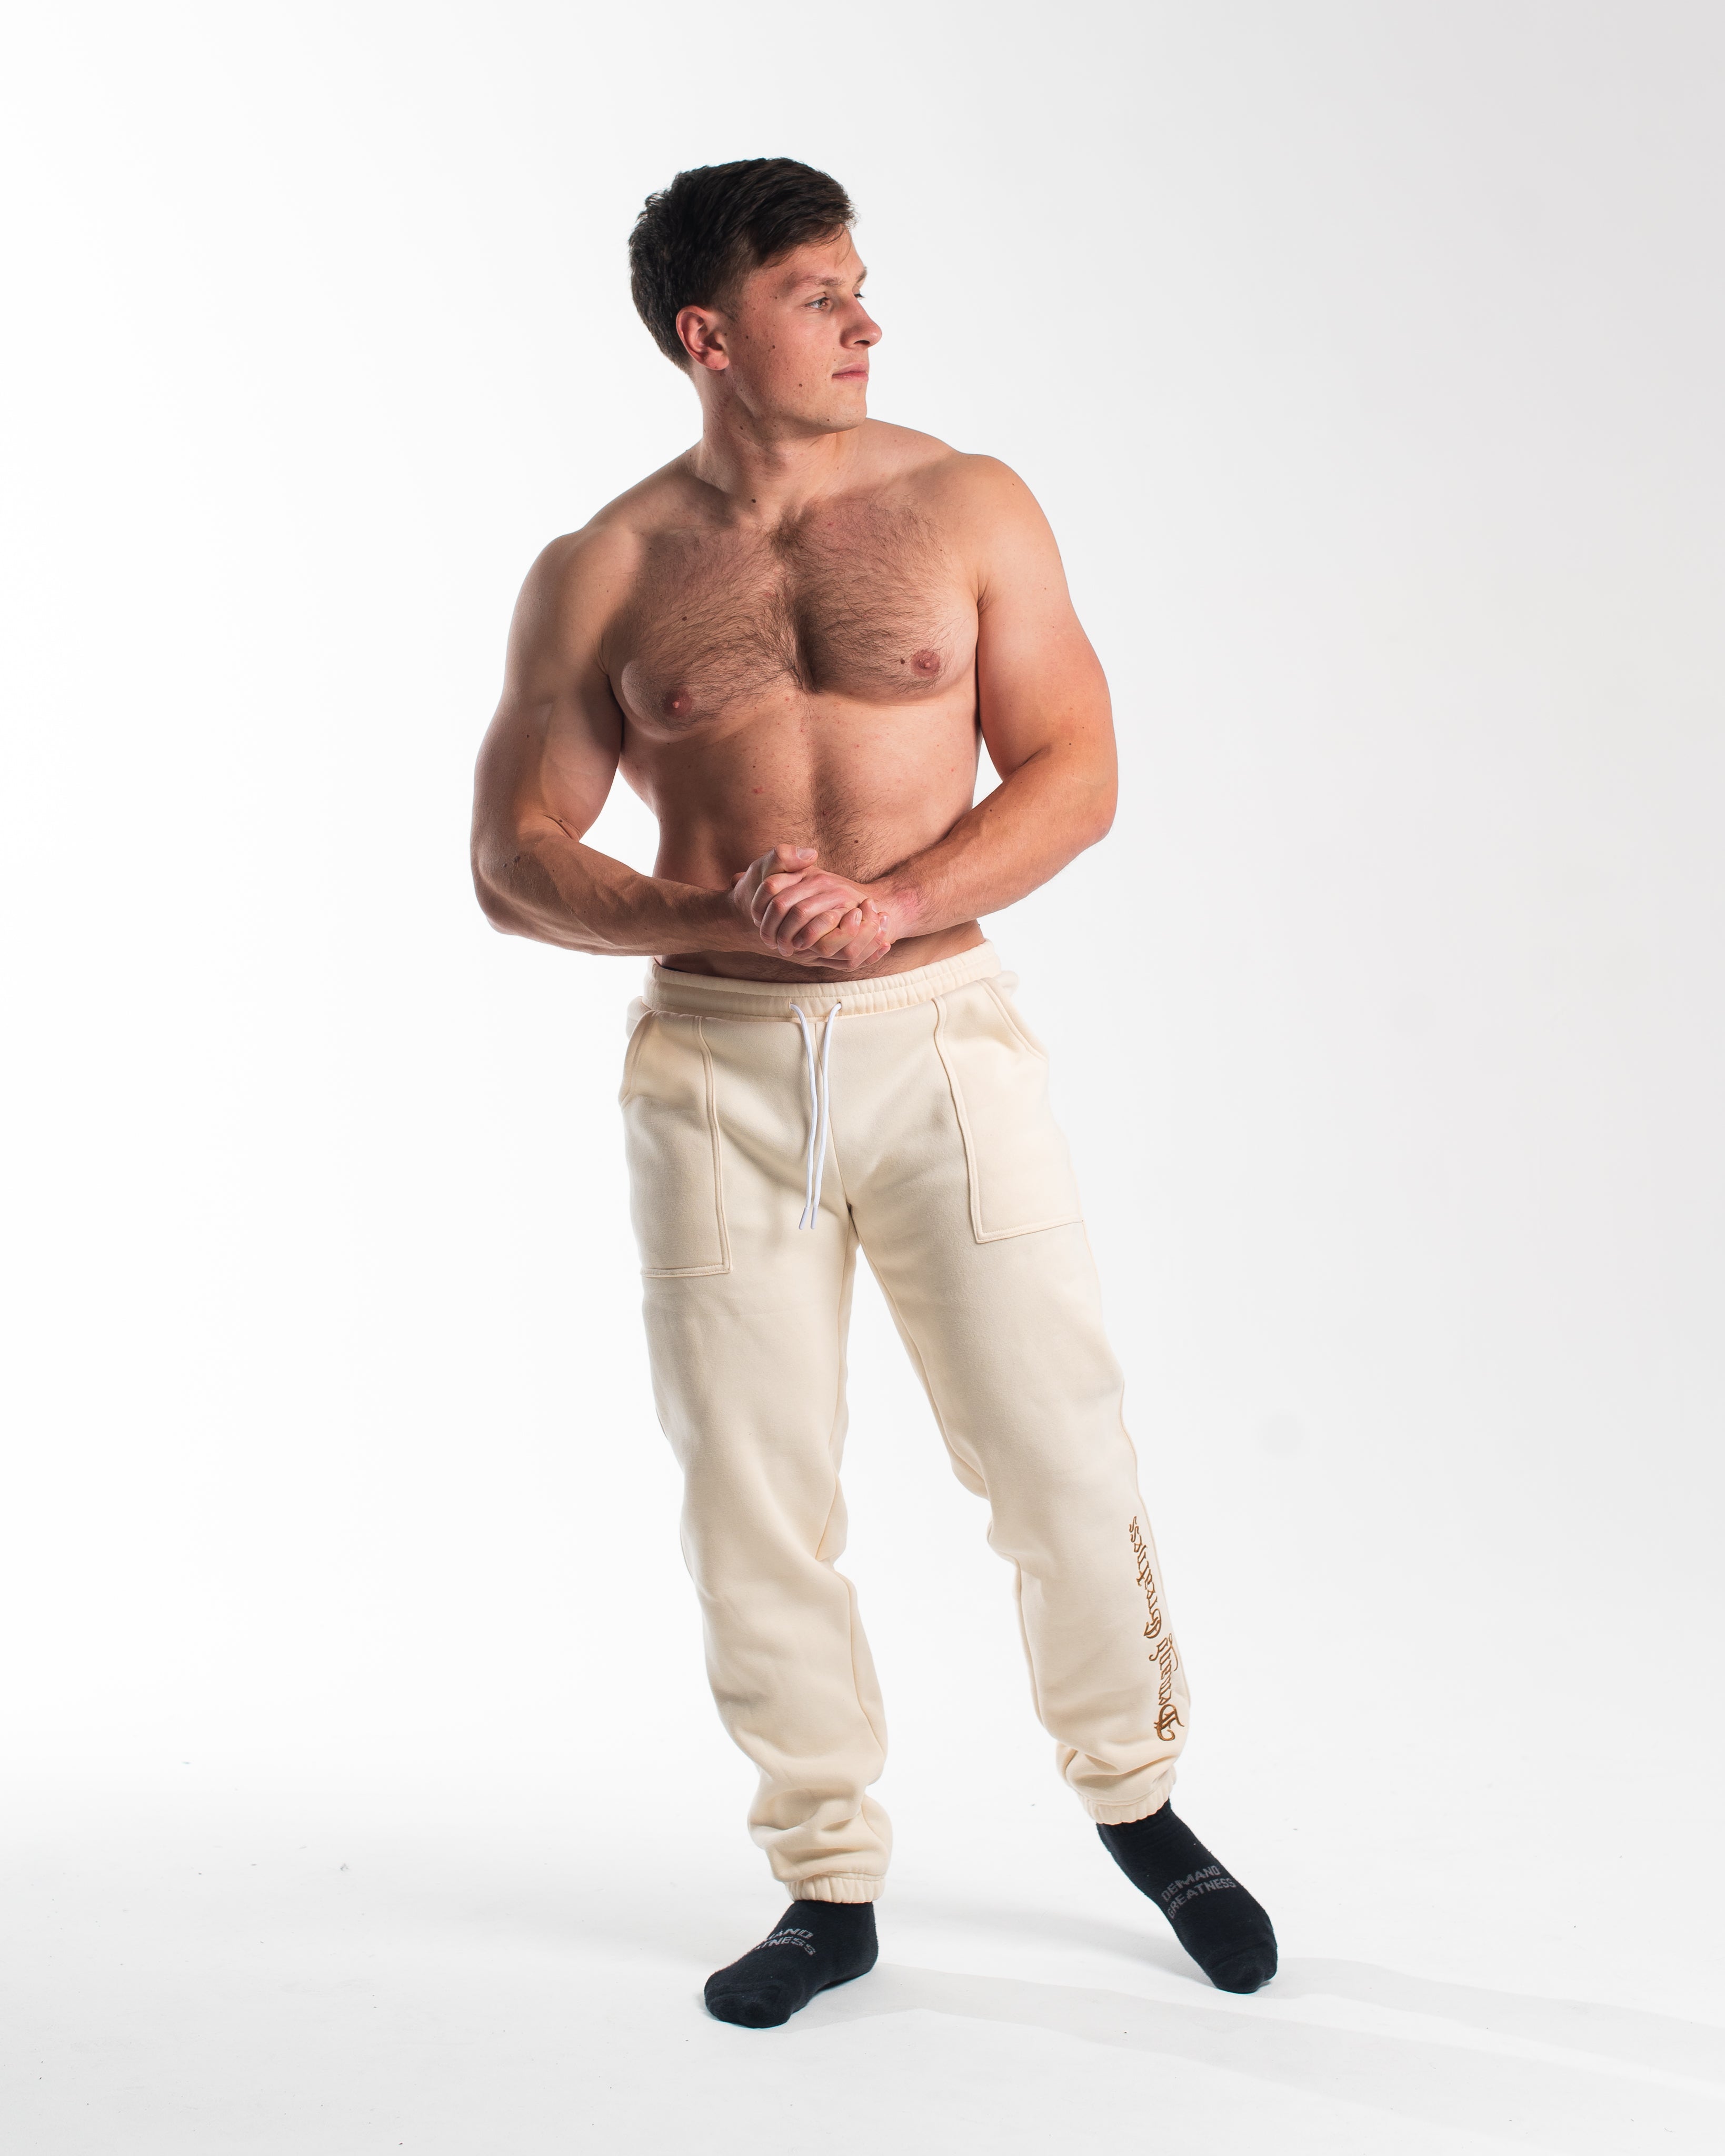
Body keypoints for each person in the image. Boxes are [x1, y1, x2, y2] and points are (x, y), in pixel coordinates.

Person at [470, 157, 1276, 2029]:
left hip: (941, 1041)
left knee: (1058, 1452)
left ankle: (1140, 1803)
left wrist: (896, 903)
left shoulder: (966, 503)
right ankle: (824, 1882)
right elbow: (513, 860)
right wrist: (714, 910)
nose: (867, 322)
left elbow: (1077, 769)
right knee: (753, 1495)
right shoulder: (602, 571)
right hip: (715, 1069)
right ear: (710, 334)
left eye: (860, 286)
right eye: (820, 296)